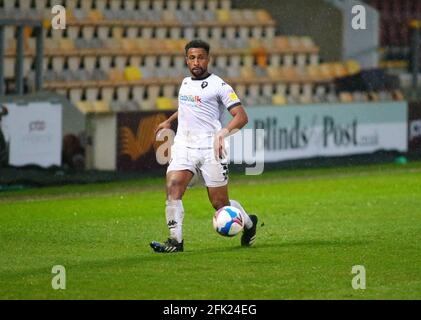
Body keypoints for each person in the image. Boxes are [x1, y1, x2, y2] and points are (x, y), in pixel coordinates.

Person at [150, 40, 258, 253]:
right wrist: (169, 121)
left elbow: (241, 117)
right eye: (192, 57)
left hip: (210, 149)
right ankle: (175, 241)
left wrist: (223, 133)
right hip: (184, 146)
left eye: (200, 57)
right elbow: (188, 107)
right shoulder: (185, 83)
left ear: (208, 59)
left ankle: (249, 223)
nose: (196, 62)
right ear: (186, 60)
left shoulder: (219, 85)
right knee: (173, 188)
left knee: (220, 205)